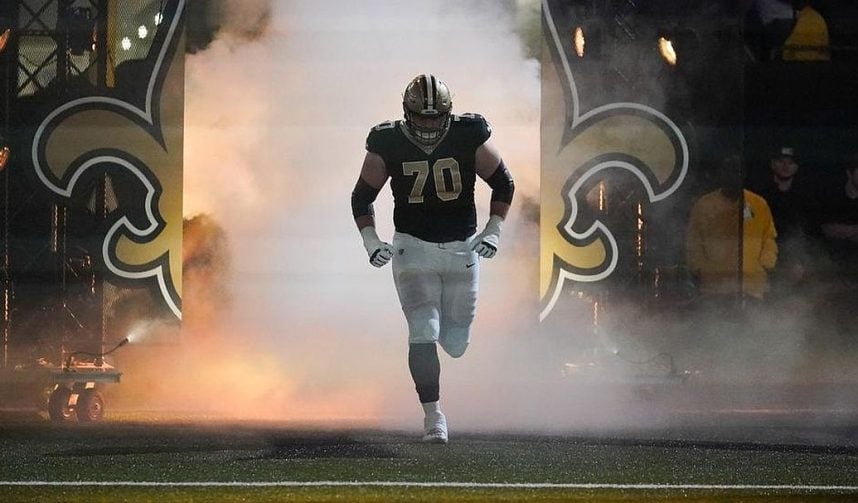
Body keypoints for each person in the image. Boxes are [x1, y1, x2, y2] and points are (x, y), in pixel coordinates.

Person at [350, 74, 514, 444]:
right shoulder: (386, 140)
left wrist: (494, 229)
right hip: (413, 248)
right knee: (423, 330)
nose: (427, 124)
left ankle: (447, 343)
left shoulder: (469, 133)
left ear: (448, 112)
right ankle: (433, 417)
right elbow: (362, 197)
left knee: (456, 343)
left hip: (462, 249)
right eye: (420, 117)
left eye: (434, 116)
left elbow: (504, 183)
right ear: (406, 113)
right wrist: (370, 240)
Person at [686, 155, 778, 304]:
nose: (733, 176)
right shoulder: (704, 205)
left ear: (744, 175)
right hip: (714, 289)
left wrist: (766, 265)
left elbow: (769, 238)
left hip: (751, 288)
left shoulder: (758, 204)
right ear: (720, 174)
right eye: (728, 171)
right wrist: (700, 269)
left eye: (738, 171)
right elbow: (693, 241)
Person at [750, 146, 814, 295]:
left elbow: (809, 233)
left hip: (792, 262)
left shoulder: (804, 199)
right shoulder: (759, 197)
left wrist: (801, 263)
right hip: (761, 262)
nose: (786, 166)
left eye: (790, 163)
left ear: (796, 167)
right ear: (773, 164)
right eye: (781, 161)